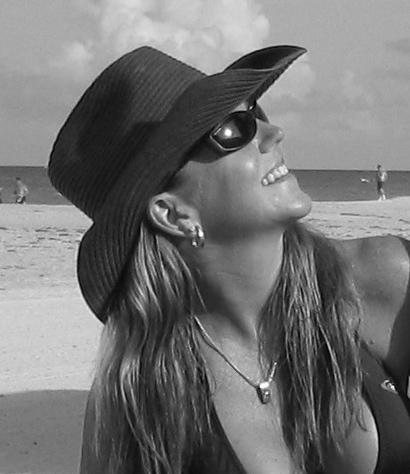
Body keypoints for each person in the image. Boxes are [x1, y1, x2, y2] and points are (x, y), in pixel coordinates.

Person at [48, 46, 410, 473]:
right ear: (174, 215)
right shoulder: (137, 395)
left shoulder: (384, 278)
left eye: (256, 112)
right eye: (233, 129)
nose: (272, 133)